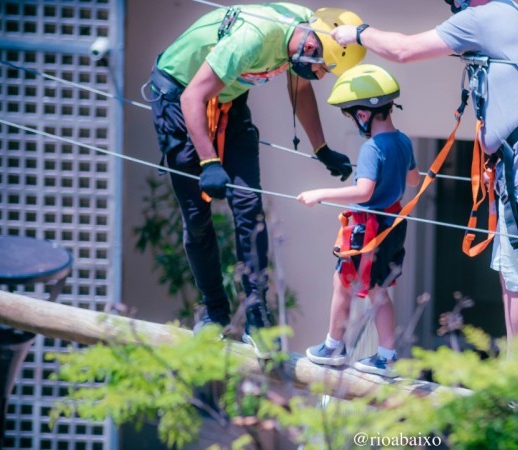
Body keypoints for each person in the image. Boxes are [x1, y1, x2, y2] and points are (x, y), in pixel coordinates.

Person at [332, 0, 518, 404]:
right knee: (516, 282)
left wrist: (356, 34)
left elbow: (403, 50)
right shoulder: (513, 16)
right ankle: (517, 387)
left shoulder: (484, 17)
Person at [145, 4, 365, 355]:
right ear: (310, 47)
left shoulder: (305, 32)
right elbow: (192, 97)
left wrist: (321, 148)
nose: (320, 76)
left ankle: (256, 315)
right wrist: (209, 162)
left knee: (249, 207)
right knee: (197, 218)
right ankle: (214, 313)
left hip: (227, 99)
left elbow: (300, 90)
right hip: (180, 96)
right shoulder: (254, 38)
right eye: (322, 69)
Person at [297, 64, 420, 377]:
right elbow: (414, 180)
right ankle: (387, 357)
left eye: (351, 115)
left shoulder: (372, 148)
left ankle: (333, 346)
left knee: (342, 285)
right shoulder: (403, 141)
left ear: (363, 114)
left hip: (367, 229)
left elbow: (363, 191)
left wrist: (320, 193)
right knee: (380, 291)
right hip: (392, 224)